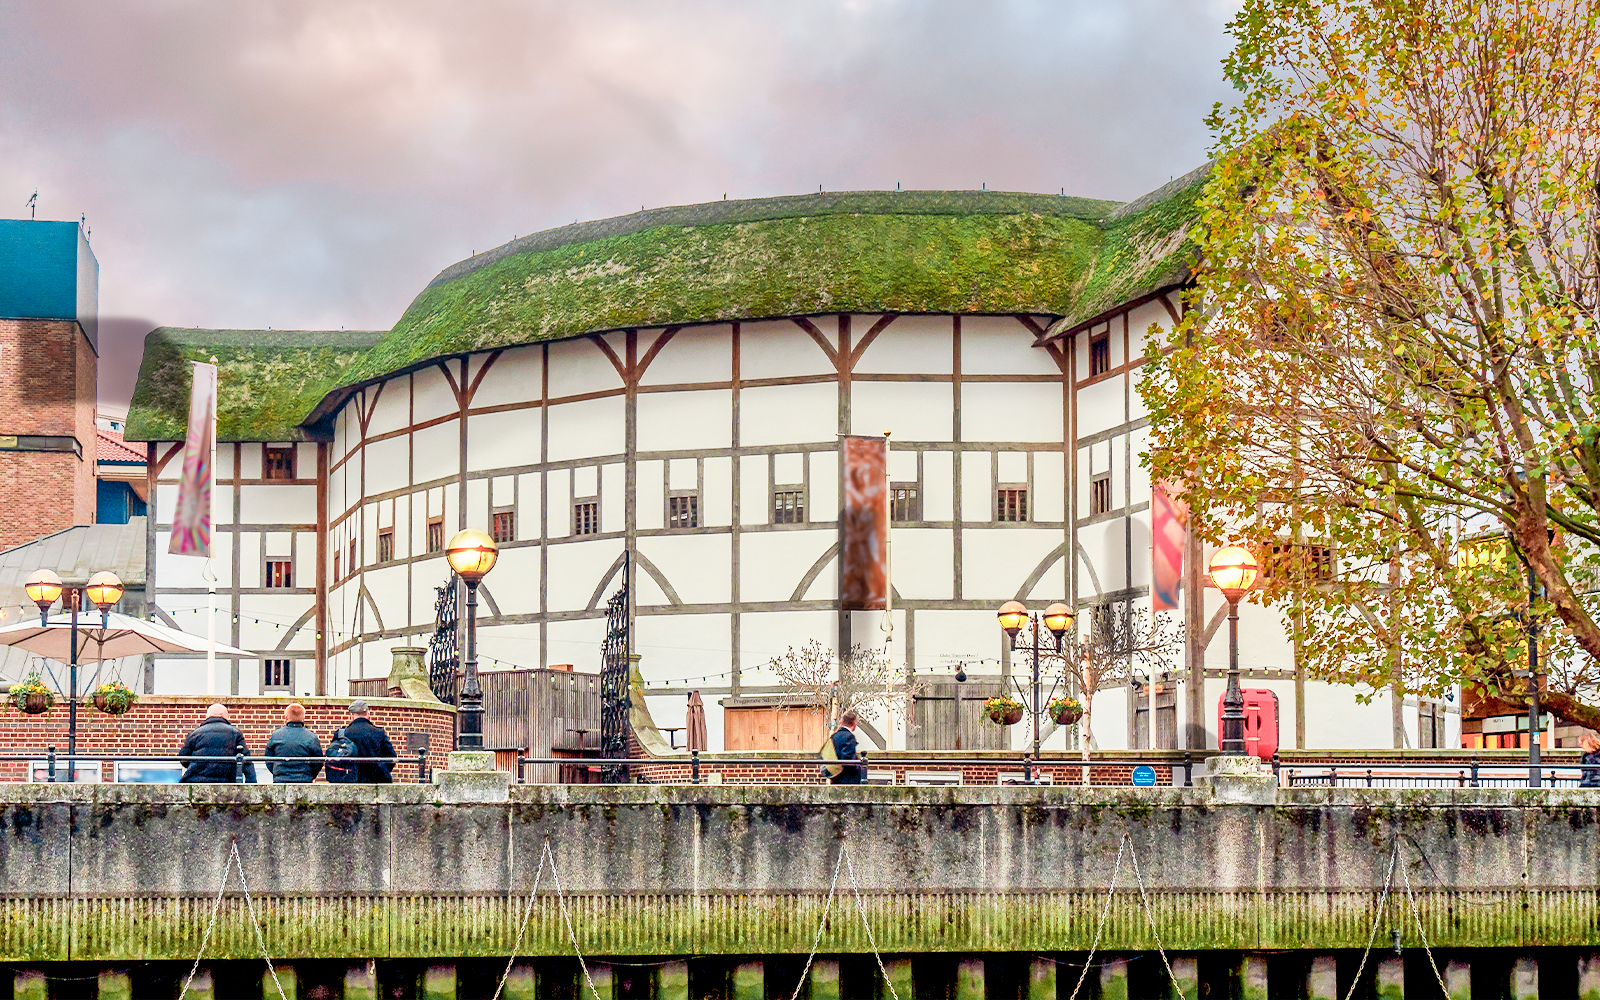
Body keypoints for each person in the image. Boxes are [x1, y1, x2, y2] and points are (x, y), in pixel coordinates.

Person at [178, 704, 258, 783]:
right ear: (223, 715)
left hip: (197, 780)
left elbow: (183, 759)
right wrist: (251, 782)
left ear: (208, 716)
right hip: (227, 782)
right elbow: (246, 761)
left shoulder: (195, 733)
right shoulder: (235, 733)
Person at [340, 699, 397, 783]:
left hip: (351, 780)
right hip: (376, 780)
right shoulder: (379, 733)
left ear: (351, 716)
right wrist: (381, 770)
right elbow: (391, 756)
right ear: (368, 714)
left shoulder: (343, 733)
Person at [265, 703, 323, 784]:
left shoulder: (276, 735)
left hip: (280, 780)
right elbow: (318, 761)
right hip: (304, 780)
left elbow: (268, 759)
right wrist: (311, 775)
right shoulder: (311, 737)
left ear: (286, 717)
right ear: (303, 718)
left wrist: (277, 774)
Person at [827, 710, 862, 785]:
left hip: (835, 779)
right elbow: (848, 760)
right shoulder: (849, 737)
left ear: (842, 722)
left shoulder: (834, 736)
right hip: (847, 780)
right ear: (854, 724)